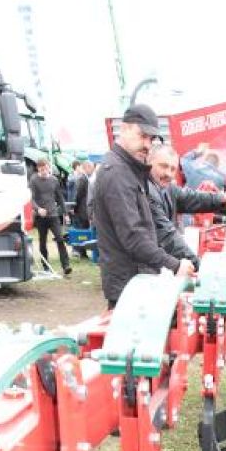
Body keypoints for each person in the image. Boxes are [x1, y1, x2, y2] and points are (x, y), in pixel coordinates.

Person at [92, 104, 194, 308]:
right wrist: (174, 265)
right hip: (128, 286)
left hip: (137, 282)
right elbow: (134, 237)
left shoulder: (130, 171)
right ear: (125, 129)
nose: (147, 144)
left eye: (151, 139)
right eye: (143, 135)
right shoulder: (117, 174)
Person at [147, 145, 226, 263]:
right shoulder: (146, 192)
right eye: (163, 166)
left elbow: (192, 198)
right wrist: (197, 264)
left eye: (172, 169)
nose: (169, 174)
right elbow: (167, 236)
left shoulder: (168, 188)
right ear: (149, 162)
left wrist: (223, 198)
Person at [29, 158, 72, 276]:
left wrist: (65, 213)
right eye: (41, 169)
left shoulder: (54, 180)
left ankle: (66, 265)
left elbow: (59, 198)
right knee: (42, 241)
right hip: (41, 217)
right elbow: (31, 199)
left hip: (53, 215)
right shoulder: (33, 180)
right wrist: (38, 209)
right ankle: (45, 266)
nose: (44, 171)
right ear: (38, 169)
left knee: (60, 238)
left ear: (49, 167)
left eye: (46, 168)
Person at [72, 160, 93, 229]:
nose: (92, 170)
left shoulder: (85, 178)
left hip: (84, 210)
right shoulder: (82, 178)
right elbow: (78, 195)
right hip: (82, 210)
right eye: (91, 168)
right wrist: (75, 208)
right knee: (83, 232)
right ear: (87, 167)